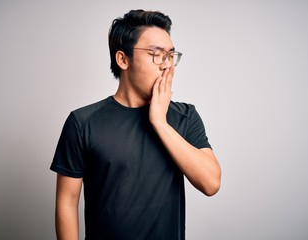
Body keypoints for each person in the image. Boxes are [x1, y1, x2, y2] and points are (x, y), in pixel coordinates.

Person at [50, 9, 221, 240]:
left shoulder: (185, 116)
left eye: (171, 55)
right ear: (123, 59)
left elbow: (210, 183)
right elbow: (67, 202)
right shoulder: (82, 122)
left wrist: (160, 123)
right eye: (156, 54)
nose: (167, 65)